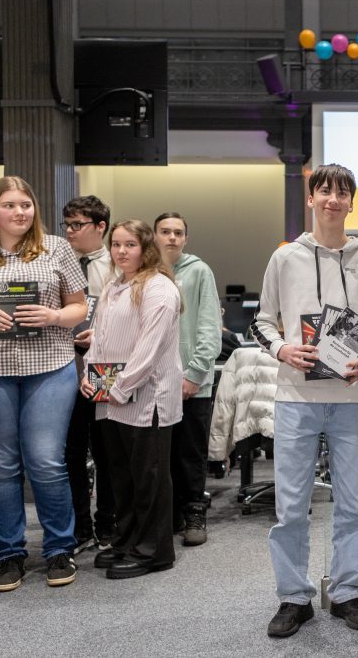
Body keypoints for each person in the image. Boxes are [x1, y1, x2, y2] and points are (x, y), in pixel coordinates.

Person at [253, 164, 358, 638]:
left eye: (342, 192)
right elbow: (262, 321)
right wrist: (282, 349)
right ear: (311, 198)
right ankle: (294, 598)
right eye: (325, 191)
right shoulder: (285, 257)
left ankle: (347, 591)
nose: (334, 199)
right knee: (292, 505)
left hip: (354, 397)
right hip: (297, 396)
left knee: (354, 502)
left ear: (352, 202)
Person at [0, 176, 89, 592]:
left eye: (25, 204)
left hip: (50, 366)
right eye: (9, 205)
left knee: (45, 461)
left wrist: (54, 316)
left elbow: (79, 306)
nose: (19, 212)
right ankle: (9, 553)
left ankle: (59, 548)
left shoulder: (57, 248)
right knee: (2, 464)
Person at [81, 220, 183, 579]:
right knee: (121, 478)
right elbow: (100, 338)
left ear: (146, 249)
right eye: (116, 244)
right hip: (111, 397)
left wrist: (120, 388)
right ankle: (126, 542)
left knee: (148, 479)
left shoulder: (159, 288)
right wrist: (90, 376)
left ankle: (153, 551)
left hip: (147, 398)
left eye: (130, 245)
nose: (121, 251)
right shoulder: (113, 286)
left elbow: (148, 350)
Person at [154, 212, 221, 546]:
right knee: (160, 456)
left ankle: (195, 511)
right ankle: (169, 516)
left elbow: (209, 327)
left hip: (192, 383)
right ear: (154, 236)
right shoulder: (146, 273)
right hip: (154, 383)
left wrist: (194, 374)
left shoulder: (199, 271)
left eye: (178, 232)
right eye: (165, 231)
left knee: (190, 454)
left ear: (186, 238)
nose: (172, 238)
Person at [61, 195, 116, 552]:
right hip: (64, 364)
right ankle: (79, 526)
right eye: (67, 224)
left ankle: (107, 523)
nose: (69, 231)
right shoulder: (59, 261)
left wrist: (102, 333)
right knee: (71, 450)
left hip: (104, 366)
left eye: (77, 225)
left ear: (100, 227)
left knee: (106, 447)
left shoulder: (116, 264)